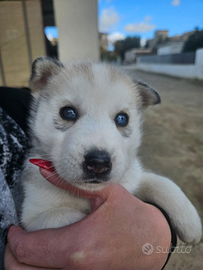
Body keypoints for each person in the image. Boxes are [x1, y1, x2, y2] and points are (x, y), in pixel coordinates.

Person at [0, 87, 176, 270]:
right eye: (68, 113)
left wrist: (162, 234)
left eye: (121, 119)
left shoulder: (17, 104)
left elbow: (142, 191)